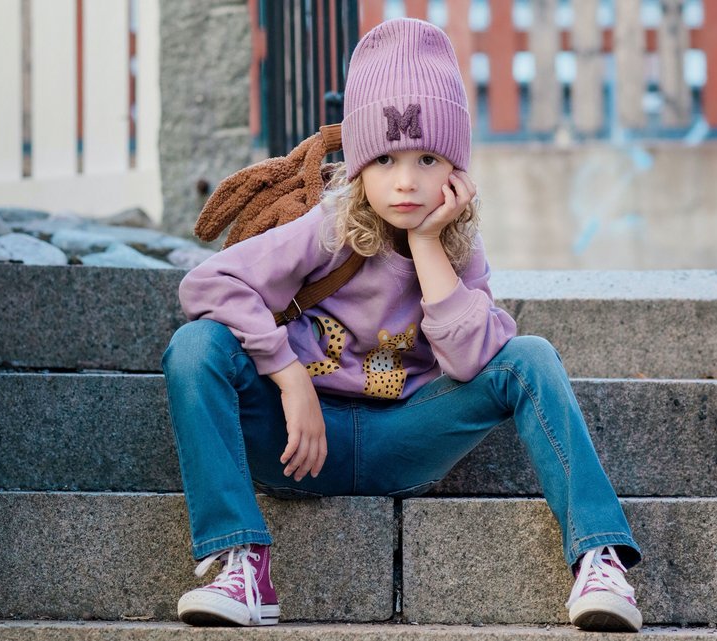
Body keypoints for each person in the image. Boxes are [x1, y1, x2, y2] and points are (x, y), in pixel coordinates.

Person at [162, 17, 642, 632]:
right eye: (385, 158)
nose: (407, 180)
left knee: (531, 355)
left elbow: (472, 361)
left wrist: (427, 244)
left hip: (406, 438)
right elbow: (207, 284)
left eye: (428, 158)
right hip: (299, 440)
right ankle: (241, 563)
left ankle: (599, 560)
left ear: (457, 173)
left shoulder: (459, 250)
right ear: (360, 164)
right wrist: (290, 377)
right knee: (196, 346)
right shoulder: (330, 227)